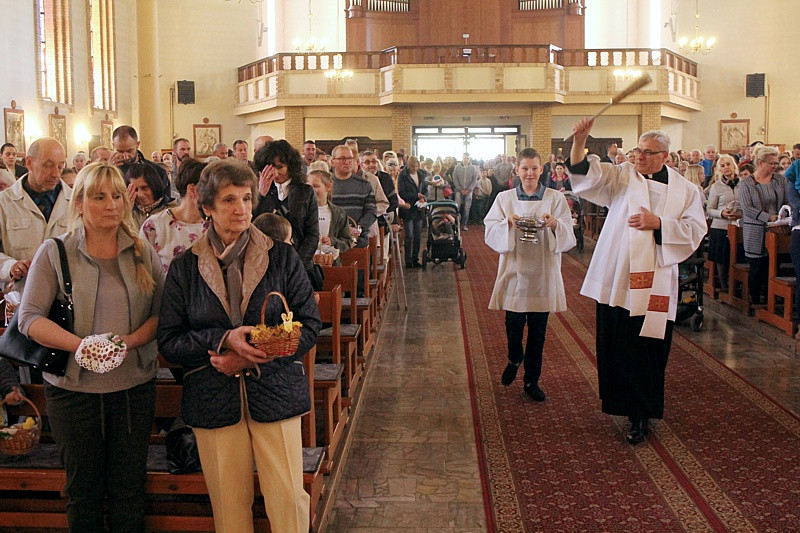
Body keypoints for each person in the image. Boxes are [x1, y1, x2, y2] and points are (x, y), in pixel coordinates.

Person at [157, 159, 321, 533]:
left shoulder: (281, 256)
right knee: (229, 506)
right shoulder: (186, 267)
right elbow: (169, 339)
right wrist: (223, 339)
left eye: (247, 198)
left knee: (288, 498)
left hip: (275, 391)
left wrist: (249, 358)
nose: (241, 209)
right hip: (214, 399)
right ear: (208, 207)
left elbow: (310, 325)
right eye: (229, 200)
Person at [18, 162, 164, 531]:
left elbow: (163, 315)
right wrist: (81, 345)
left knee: (128, 488)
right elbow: (29, 318)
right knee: (83, 489)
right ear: (79, 203)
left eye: (117, 195)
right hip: (74, 390)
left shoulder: (141, 251)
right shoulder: (55, 252)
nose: (112, 204)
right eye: (99, 197)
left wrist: (129, 342)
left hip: (133, 387)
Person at [567, 118, 706, 445]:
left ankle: (642, 413)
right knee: (618, 341)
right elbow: (585, 178)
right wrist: (579, 141)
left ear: (665, 156)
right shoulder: (622, 176)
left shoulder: (686, 191)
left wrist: (658, 223)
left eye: (647, 153)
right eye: (637, 151)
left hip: (656, 279)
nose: (639, 157)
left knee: (647, 347)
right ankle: (622, 403)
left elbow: (694, 232)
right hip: (619, 274)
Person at [485, 148, 575, 402]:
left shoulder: (555, 198)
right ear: (517, 170)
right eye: (525, 168)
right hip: (515, 268)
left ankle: (531, 380)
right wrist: (508, 224)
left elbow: (568, 233)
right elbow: (490, 231)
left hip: (543, 271)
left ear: (541, 170)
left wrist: (555, 224)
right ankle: (515, 357)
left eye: (534, 168)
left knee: (538, 332)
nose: (530, 173)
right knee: (513, 326)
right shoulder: (504, 198)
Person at [0, 138, 72, 293]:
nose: (55, 174)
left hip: (65, 297)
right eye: (48, 165)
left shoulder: (74, 201)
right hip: (23, 293)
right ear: (29, 163)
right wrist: (10, 266)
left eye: (61, 166)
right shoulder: (4, 202)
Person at [253, 140, 320, 287]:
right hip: (265, 265)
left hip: (299, 262)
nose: (275, 173)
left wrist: (297, 264)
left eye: (280, 167)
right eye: (270, 168)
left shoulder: (305, 192)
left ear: (290, 166)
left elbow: (312, 233)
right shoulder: (257, 192)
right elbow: (251, 225)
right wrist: (261, 195)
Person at [139, 158, 210, 273]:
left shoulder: (216, 225)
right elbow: (144, 272)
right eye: (211, 189)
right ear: (193, 190)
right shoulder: (155, 226)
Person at [738, 145, 786, 306]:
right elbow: (747, 208)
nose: (774, 166)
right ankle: (756, 301)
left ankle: (771, 300)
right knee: (757, 268)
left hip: (776, 229)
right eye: (771, 163)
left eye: (775, 163)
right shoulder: (747, 183)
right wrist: (768, 217)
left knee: (773, 267)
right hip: (755, 230)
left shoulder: (780, 180)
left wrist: (782, 215)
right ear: (760, 162)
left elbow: (786, 200)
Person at [705, 154, 741, 291]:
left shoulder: (742, 184)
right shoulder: (717, 186)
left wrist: (740, 214)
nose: (726, 167)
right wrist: (721, 213)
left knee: (737, 257)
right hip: (720, 226)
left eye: (728, 164)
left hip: (738, 225)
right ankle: (724, 285)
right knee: (722, 258)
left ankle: (736, 286)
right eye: (723, 165)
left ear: (734, 166)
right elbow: (709, 209)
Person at [329, 145, 376, 248]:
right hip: (332, 240)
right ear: (332, 162)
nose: (347, 162)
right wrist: (343, 230)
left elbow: (371, 211)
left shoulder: (364, 184)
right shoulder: (327, 184)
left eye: (350, 158)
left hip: (359, 240)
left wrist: (357, 228)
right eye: (342, 158)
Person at [307, 168, 352, 260]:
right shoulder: (301, 212)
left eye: (316, 186)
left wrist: (332, 241)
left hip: (330, 263)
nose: (312, 190)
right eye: (309, 186)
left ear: (328, 186)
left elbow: (347, 242)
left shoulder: (339, 213)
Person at [125, 162, 177, 229]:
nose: (140, 194)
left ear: (154, 185)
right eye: (135, 190)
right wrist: (126, 213)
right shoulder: (128, 213)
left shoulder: (172, 212)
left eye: (145, 188)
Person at [397, 156, 428, 268]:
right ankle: (408, 260)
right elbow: (402, 192)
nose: (414, 168)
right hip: (408, 208)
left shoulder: (421, 174)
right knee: (409, 235)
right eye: (412, 166)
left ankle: (416, 259)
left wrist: (423, 198)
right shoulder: (403, 176)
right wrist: (416, 196)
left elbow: (425, 190)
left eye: (416, 166)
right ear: (408, 165)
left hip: (419, 209)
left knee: (418, 235)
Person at [452, 152, 479, 230]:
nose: (466, 160)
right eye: (464, 158)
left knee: (467, 208)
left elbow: (474, 180)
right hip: (458, 190)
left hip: (469, 191)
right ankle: (456, 224)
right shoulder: (457, 167)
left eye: (467, 158)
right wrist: (460, 189)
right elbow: (455, 179)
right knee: (457, 207)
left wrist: (469, 189)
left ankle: (464, 225)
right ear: (462, 158)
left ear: (469, 159)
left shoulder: (473, 168)